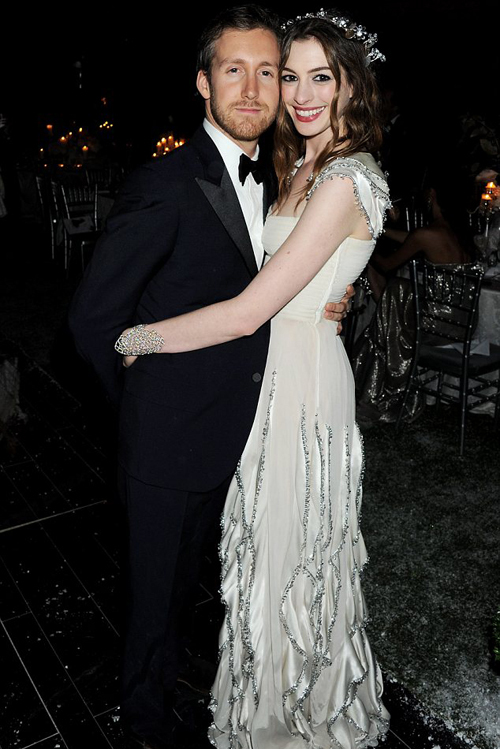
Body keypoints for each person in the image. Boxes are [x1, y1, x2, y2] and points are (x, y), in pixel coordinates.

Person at [68, 6, 351, 748]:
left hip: (247, 432)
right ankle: (145, 721)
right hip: (166, 441)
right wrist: (137, 410)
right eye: (234, 70)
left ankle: (176, 675)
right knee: (151, 600)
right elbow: (93, 320)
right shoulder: (163, 183)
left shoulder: (287, 177)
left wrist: (334, 296)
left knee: (195, 584)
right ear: (203, 82)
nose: (253, 89)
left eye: (268, 72)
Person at [353, 185, 472, 425]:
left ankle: (380, 388)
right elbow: (411, 238)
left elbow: (387, 264)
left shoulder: (428, 234)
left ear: (433, 195)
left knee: (397, 292)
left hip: (439, 325)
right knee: (397, 301)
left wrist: (364, 247)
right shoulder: (454, 233)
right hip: (463, 322)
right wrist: (377, 229)